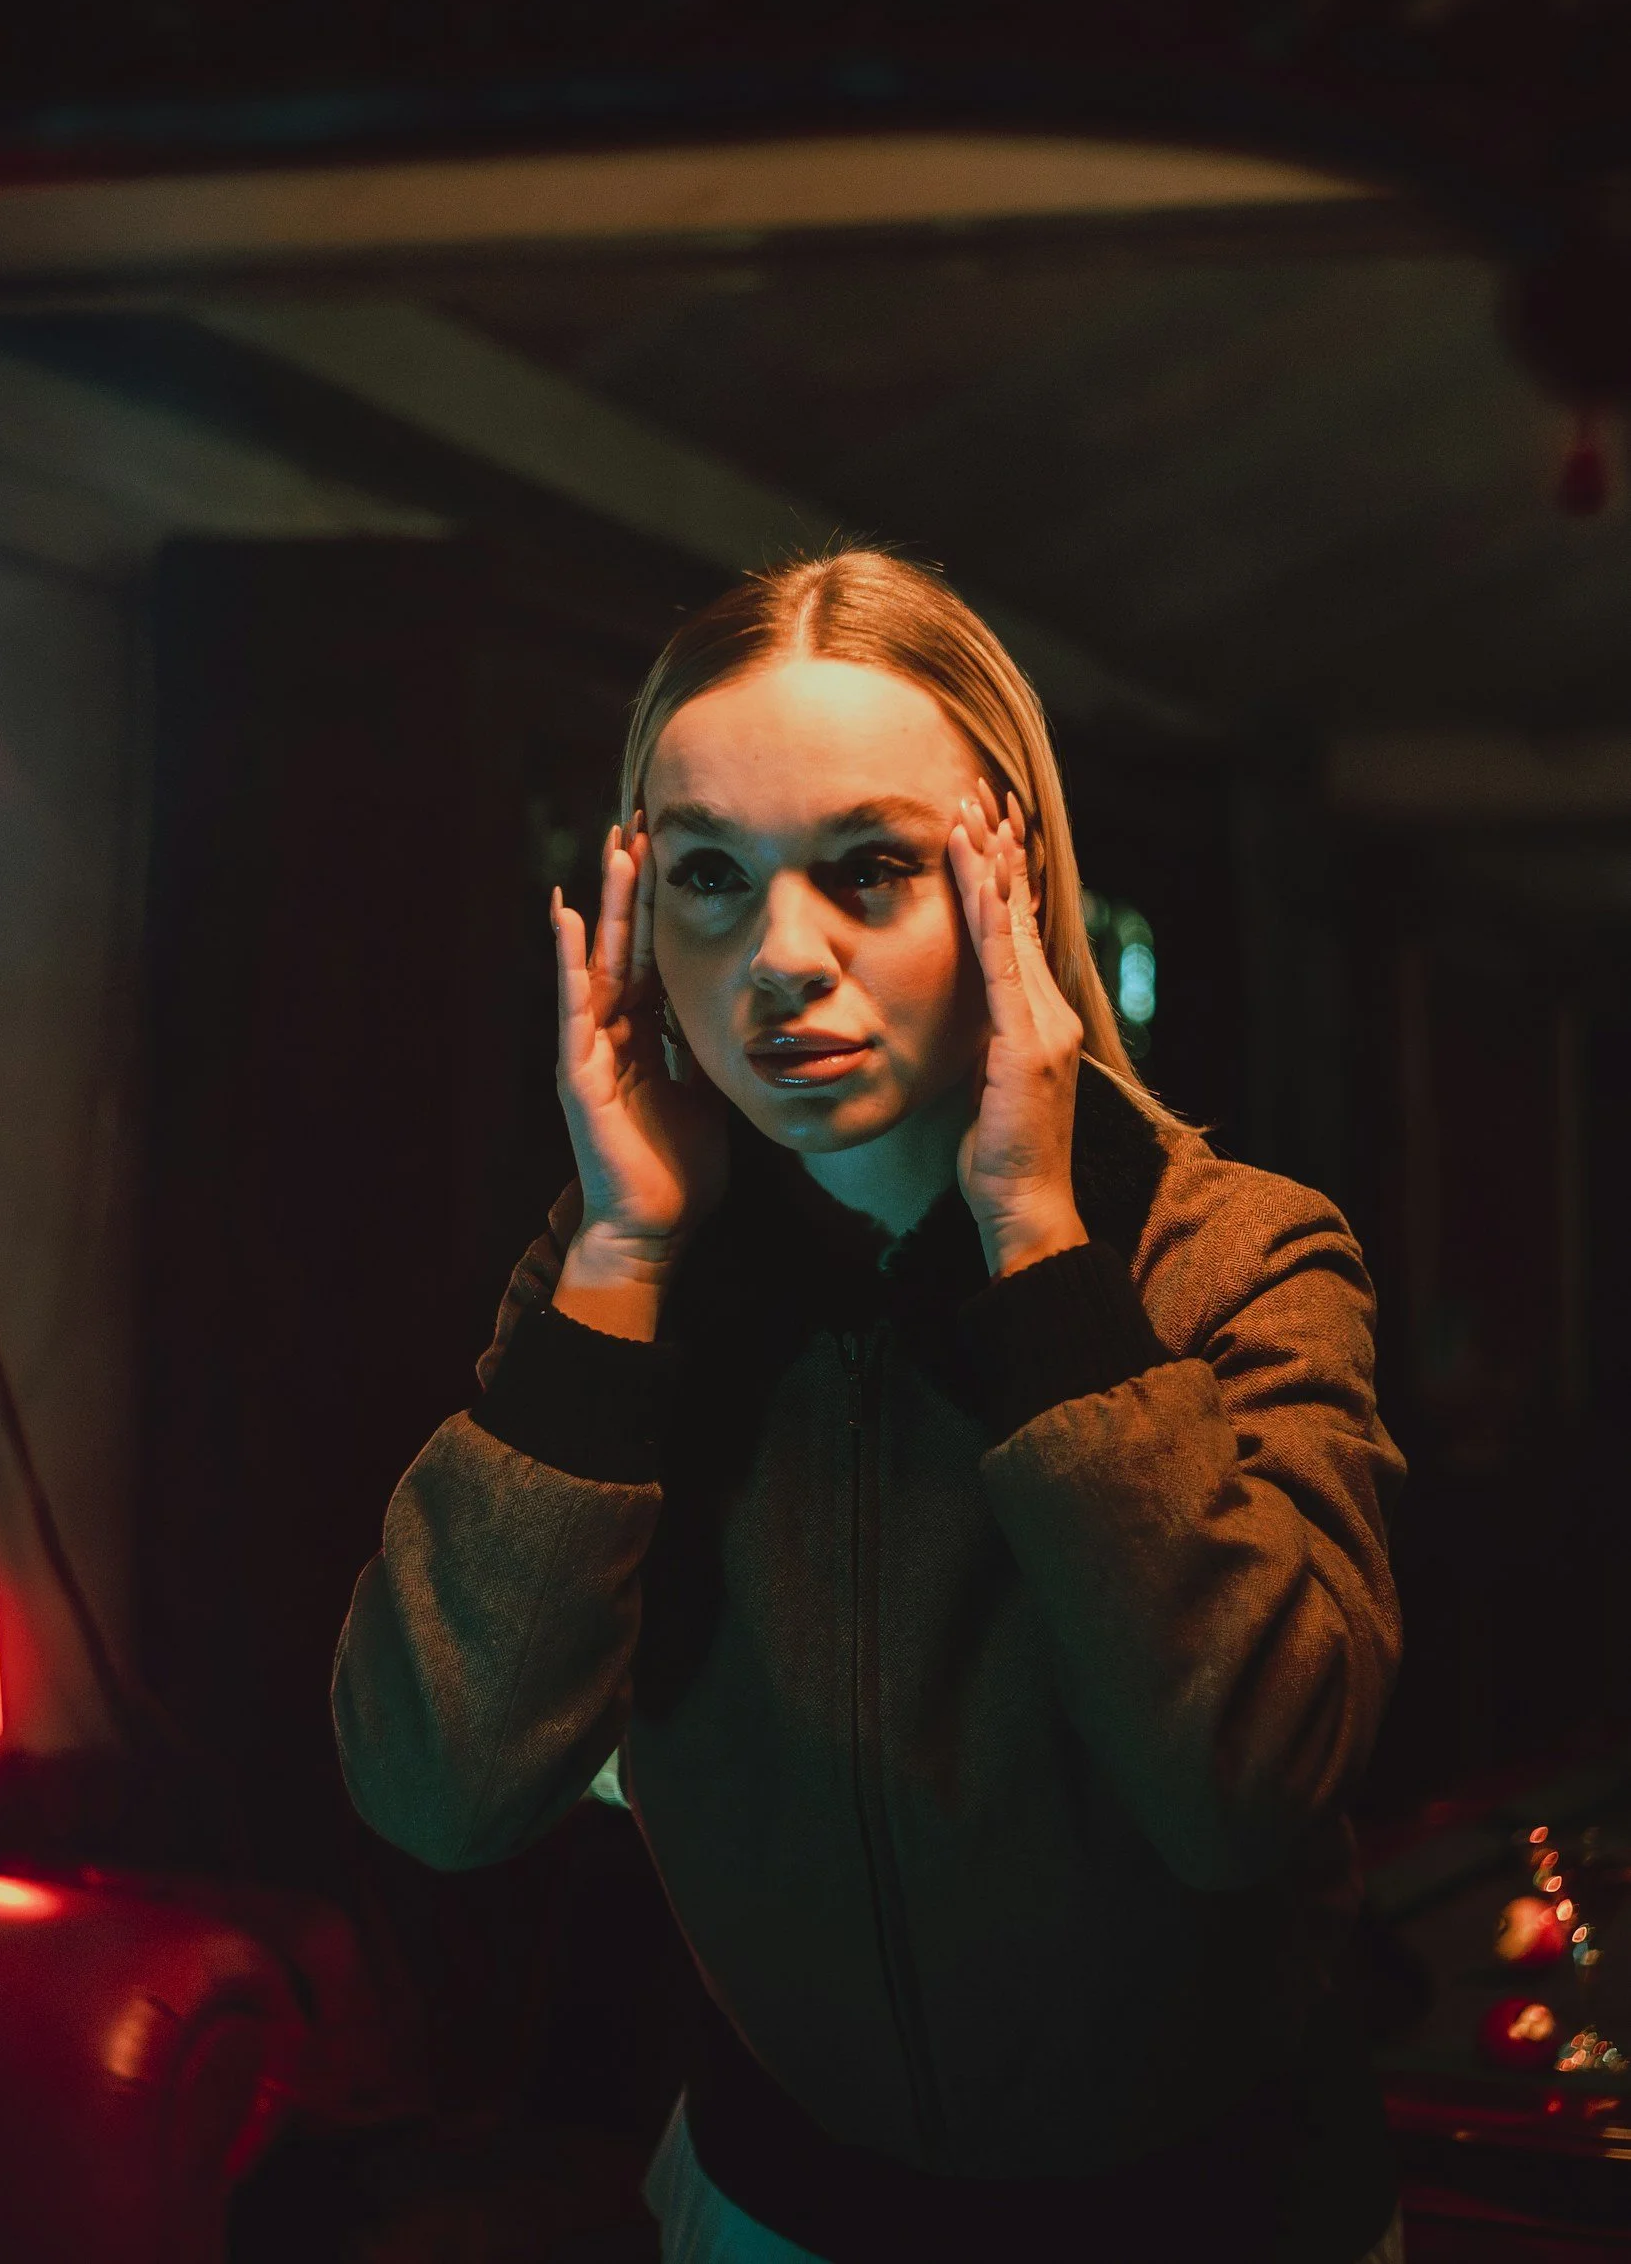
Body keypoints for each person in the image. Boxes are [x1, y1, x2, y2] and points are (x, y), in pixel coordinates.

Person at [333, 549, 1408, 2264]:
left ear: (1005, 880)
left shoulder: (1226, 1251)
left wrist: (1036, 1250)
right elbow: (436, 1788)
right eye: (706, 875)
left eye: (867, 868)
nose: (778, 958)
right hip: (780, 2206)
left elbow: (1240, 1784)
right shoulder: (622, 1263)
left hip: (1209, 2219)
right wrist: (617, 1256)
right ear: (631, 912)